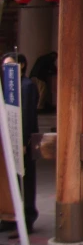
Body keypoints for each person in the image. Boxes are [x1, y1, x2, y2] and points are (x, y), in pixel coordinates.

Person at [0, 53, 39, 234]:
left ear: (21, 65)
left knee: (26, 179)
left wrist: (24, 142)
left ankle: (27, 218)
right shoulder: (5, 89)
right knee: (11, 180)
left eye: (10, 65)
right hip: (8, 141)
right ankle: (11, 217)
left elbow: (27, 116)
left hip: (24, 141)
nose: (6, 69)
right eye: (4, 65)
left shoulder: (27, 86)